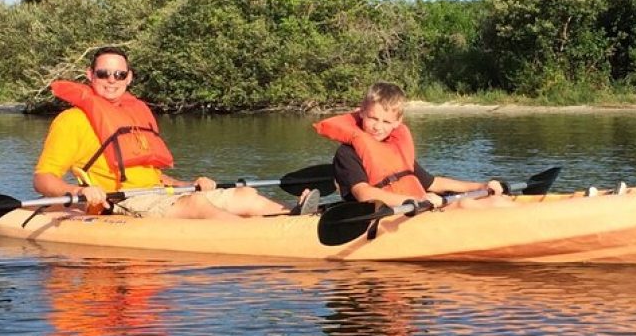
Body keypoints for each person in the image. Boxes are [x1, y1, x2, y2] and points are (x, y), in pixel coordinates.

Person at [34, 46, 319, 219]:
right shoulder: (71, 120)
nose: (112, 80)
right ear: (90, 75)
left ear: (129, 77)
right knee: (197, 205)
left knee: (243, 195)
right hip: (123, 201)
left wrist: (188, 183)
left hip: (160, 193)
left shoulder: (135, 114)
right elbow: (43, 178)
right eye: (104, 74)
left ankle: (293, 218)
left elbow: (151, 175)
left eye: (119, 75)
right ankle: (272, 235)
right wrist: (78, 190)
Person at [313, 82, 505, 209]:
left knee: (495, 200)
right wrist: (419, 200)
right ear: (361, 112)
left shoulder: (395, 148)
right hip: (380, 218)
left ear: (398, 122)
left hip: (415, 209)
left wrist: (481, 185)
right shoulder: (347, 154)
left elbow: (433, 183)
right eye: (373, 118)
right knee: (465, 206)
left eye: (386, 122)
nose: (378, 127)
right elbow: (364, 194)